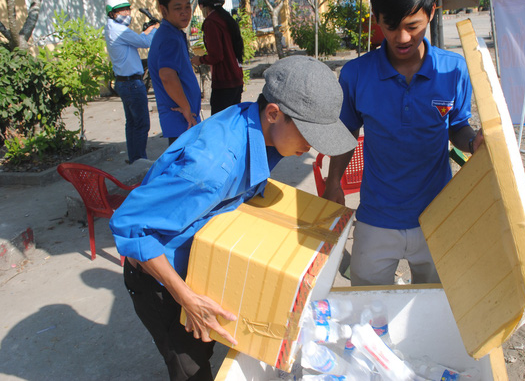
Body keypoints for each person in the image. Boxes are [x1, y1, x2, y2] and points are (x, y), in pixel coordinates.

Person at [109, 56, 357, 381]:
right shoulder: (211, 168)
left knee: (209, 345)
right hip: (161, 279)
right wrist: (187, 298)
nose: (311, 147)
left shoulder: (260, 129)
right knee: (191, 366)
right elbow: (130, 225)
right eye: (308, 135)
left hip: (202, 259)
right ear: (273, 113)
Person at [323, 0, 484, 287]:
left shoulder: (453, 71)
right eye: (390, 25)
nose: (402, 37)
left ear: (432, 12)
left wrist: (473, 143)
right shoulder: (356, 75)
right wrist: (333, 181)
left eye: (413, 25)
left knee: (439, 306)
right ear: (376, 17)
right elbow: (347, 132)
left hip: (438, 216)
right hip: (376, 219)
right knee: (366, 308)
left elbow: (458, 125)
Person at [104, 0, 158, 163]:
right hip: (132, 83)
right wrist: (155, 28)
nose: (126, 13)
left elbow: (137, 39)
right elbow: (144, 42)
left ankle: (134, 158)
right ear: (112, 13)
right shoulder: (119, 30)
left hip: (124, 82)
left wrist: (147, 30)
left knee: (132, 123)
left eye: (127, 9)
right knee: (141, 124)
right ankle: (140, 160)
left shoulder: (112, 28)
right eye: (122, 10)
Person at [148, 0, 201, 145]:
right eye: (178, 8)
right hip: (181, 118)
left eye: (187, 7)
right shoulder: (169, 37)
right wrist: (186, 108)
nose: (185, 13)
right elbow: (167, 75)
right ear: (163, 10)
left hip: (183, 118)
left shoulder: (173, 33)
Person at [191, 0, 245, 116]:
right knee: (232, 123)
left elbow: (216, 56)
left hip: (224, 83)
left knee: (220, 126)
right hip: (235, 80)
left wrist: (200, 59)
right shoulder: (225, 18)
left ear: (202, 3)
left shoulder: (211, 22)